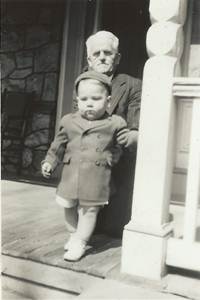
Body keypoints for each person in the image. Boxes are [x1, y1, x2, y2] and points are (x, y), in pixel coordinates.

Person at [41, 71, 131, 261]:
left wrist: (118, 150)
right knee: (68, 207)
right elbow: (57, 146)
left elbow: (120, 145)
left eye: (96, 98)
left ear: (108, 101)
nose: (89, 103)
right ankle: (74, 235)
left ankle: (81, 242)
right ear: (77, 101)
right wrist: (49, 161)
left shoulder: (114, 123)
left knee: (89, 210)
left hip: (96, 177)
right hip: (71, 175)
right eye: (84, 99)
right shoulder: (68, 121)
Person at [85, 31, 142, 236]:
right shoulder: (83, 84)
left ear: (117, 58)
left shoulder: (132, 84)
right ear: (89, 60)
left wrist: (133, 134)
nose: (102, 57)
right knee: (85, 222)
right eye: (96, 53)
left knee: (111, 229)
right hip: (89, 158)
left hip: (118, 159)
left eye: (107, 53)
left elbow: (135, 122)